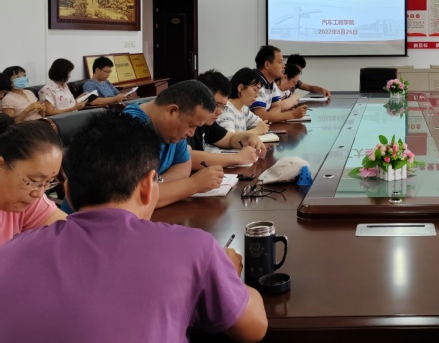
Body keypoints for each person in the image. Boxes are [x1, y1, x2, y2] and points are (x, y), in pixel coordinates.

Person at [0, 112, 268, 342]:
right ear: (149, 185)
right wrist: (227, 275)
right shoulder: (196, 249)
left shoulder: (8, 255)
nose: (38, 193)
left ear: (67, 191)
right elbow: (254, 329)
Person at [0, 119, 67, 244]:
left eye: (48, 182)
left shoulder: (26, 199)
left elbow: (71, 234)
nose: (39, 194)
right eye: (34, 181)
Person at [188, 70, 266, 171]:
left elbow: (230, 139)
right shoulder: (185, 122)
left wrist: (250, 137)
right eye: (216, 104)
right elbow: (188, 158)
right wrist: (238, 158)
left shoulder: (207, 123)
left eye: (223, 106)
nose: (219, 112)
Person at [251, 45, 307, 123]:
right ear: (267, 65)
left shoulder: (271, 83)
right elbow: (262, 117)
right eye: (280, 62)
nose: (284, 66)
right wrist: (292, 114)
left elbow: (277, 107)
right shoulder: (255, 82)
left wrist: (269, 117)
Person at [219, 68, 272, 134]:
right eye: (255, 90)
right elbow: (228, 136)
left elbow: (261, 124)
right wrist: (255, 131)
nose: (257, 95)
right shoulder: (226, 109)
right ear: (240, 88)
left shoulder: (244, 109)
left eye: (258, 92)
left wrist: (260, 128)